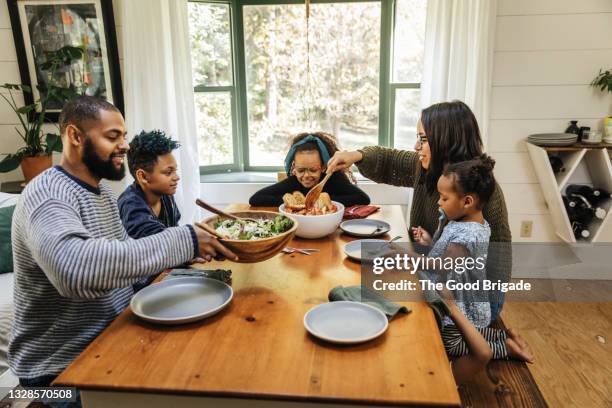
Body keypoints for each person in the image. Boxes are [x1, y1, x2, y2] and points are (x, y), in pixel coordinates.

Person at [8, 96, 237, 401]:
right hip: (59, 369)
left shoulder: (101, 191)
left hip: (111, 339)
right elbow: (75, 271)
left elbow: (127, 252)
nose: (125, 145)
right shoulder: (47, 194)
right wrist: (185, 240)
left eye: (124, 136)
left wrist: (192, 257)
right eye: (113, 136)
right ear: (76, 136)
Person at [327, 101, 511, 321]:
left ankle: (501, 344)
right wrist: (355, 155)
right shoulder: (430, 169)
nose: (416, 146)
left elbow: (481, 262)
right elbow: (390, 159)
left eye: (423, 139)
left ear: (446, 141)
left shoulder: (479, 189)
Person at [410, 156, 533, 367]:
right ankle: (503, 336)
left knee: (451, 343)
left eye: (444, 198)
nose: (439, 202)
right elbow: (449, 257)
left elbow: (443, 266)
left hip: (460, 305)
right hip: (467, 301)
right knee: (471, 332)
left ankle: (506, 348)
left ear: (467, 201)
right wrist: (430, 242)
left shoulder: (468, 236)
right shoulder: (467, 223)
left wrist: (407, 257)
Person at [249, 132, 370, 207]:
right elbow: (255, 199)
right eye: (301, 170)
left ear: (323, 167)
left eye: (312, 170)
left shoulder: (332, 179)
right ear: (294, 168)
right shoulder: (292, 182)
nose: (306, 175)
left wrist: (324, 199)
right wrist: (296, 202)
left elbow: (364, 199)